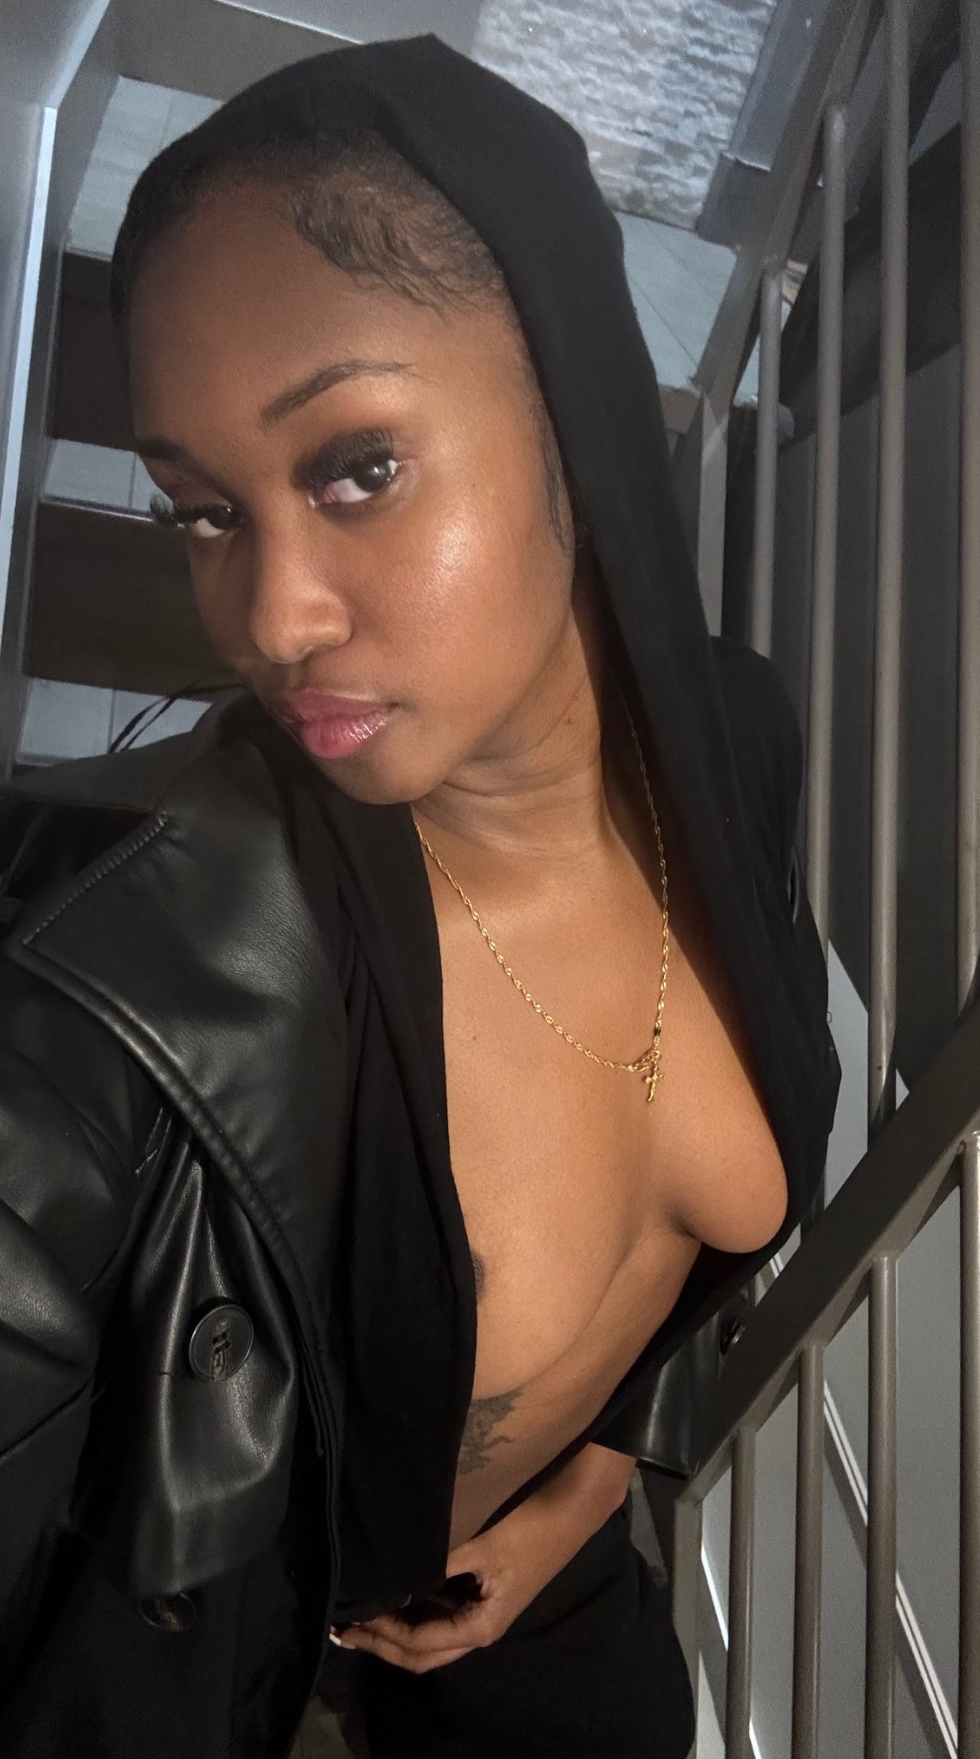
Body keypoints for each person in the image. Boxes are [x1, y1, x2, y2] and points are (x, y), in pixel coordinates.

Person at [0, 33, 841, 1759]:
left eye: (356, 467)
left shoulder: (736, 745)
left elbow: (687, 1242)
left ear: (573, 413)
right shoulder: (124, 973)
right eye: (202, 512)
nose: (269, 618)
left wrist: (601, 1471)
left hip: (536, 1586)